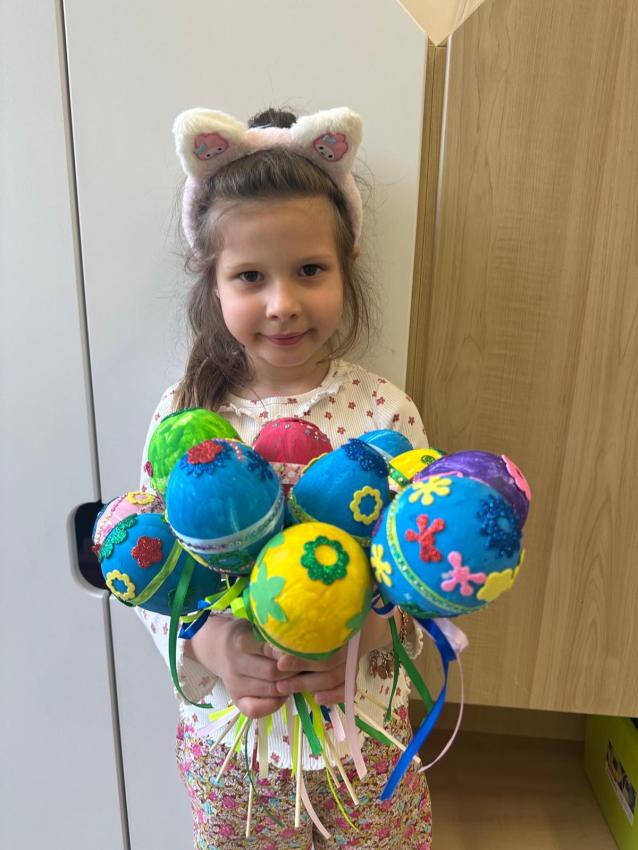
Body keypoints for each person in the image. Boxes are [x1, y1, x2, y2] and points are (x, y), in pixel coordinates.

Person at [138, 105, 433, 850]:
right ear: (212, 281)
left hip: (364, 740)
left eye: (309, 270)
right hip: (235, 752)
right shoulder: (186, 419)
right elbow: (144, 562)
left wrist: (367, 634)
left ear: (346, 264)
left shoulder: (385, 414)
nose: (283, 303)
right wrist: (211, 645)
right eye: (250, 276)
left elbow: (422, 570)